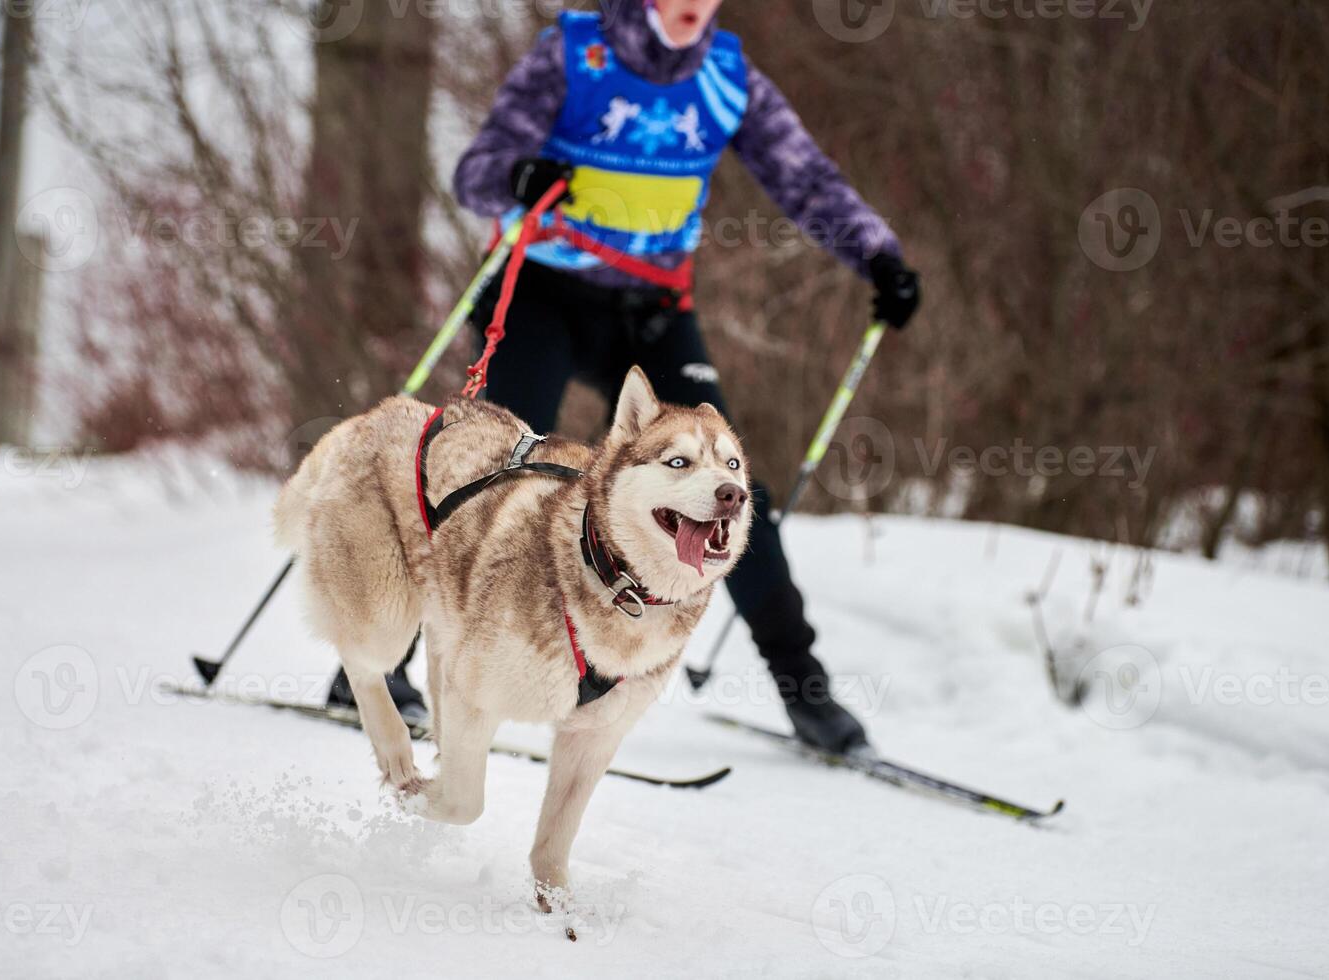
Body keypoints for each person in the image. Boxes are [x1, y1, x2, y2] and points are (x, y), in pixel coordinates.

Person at [335, 0, 921, 753]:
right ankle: (389, 662)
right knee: (492, 472)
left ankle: (804, 688)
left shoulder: (724, 76)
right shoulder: (575, 53)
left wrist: (879, 256)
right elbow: (475, 174)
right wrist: (518, 174)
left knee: (729, 484)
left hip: (649, 308)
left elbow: (804, 178)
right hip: (541, 290)